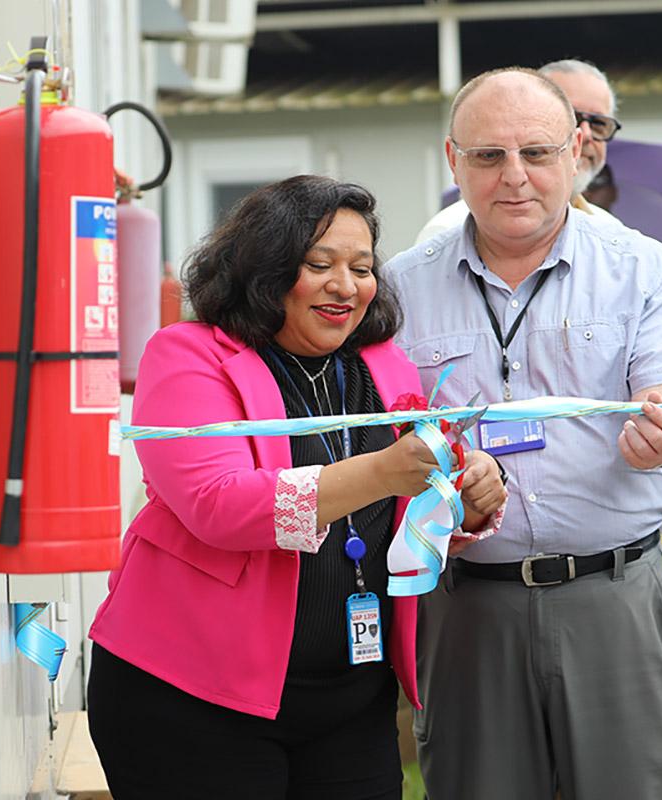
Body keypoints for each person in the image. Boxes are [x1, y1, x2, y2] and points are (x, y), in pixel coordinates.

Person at [85, 175, 507, 798]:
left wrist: (465, 499)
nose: (346, 286)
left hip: (351, 697)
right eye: (320, 264)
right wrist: (381, 471)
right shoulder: (187, 356)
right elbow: (219, 506)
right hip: (193, 694)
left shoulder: (384, 363)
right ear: (265, 269)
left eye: (361, 268)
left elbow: (406, 507)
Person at [388, 67, 662, 800]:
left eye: (536, 152)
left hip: (615, 592)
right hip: (467, 605)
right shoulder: (400, 287)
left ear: (575, 151)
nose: (514, 176)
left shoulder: (645, 270)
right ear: (453, 160)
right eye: (488, 155)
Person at [414, 58, 623, 244]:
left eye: (599, 123)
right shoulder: (448, 234)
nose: (586, 134)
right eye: (573, 117)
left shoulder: (613, 234)